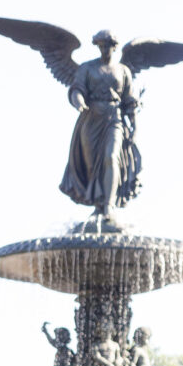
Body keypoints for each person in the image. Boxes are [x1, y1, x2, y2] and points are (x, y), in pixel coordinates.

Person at [59, 30, 141, 227]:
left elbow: (130, 101)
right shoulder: (87, 68)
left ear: (114, 46)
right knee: (91, 165)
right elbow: (77, 89)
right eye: (101, 45)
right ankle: (97, 205)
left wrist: (134, 127)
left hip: (114, 119)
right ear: (97, 46)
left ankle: (108, 206)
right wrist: (78, 101)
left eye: (108, 45)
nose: (105, 49)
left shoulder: (123, 71)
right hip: (91, 118)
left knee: (111, 157)